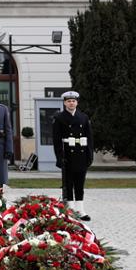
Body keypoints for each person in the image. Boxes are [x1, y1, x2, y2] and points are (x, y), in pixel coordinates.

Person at [51, 90, 93, 220]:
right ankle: (70, 209)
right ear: (64, 103)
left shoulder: (84, 117)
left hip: (81, 154)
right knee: (68, 184)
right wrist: (59, 157)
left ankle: (80, 209)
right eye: (68, 101)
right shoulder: (59, 118)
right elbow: (56, 140)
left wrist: (89, 155)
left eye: (73, 101)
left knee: (80, 183)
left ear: (77, 102)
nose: (71, 103)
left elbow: (89, 138)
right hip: (67, 155)